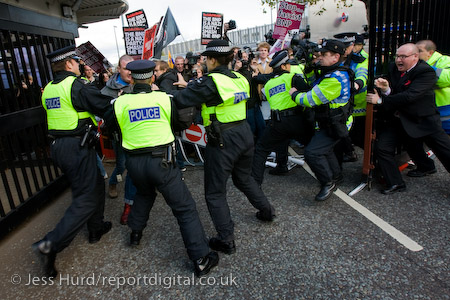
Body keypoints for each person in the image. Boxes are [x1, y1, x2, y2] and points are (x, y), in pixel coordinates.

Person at [107, 59, 218, 277]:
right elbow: (178, 124)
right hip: (162, 162)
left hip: (135, 163)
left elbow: (110, 128)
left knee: (144, 194)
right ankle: (201, 258)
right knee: (184, 207)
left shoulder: (119, 103)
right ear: (152, 77)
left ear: (132, 79)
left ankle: (135, 233)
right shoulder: (164, 99)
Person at [171, 39, 276, 255]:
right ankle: (267, 211)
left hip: (223, 139)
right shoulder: (240, 77)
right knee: (244, 178)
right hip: (244, 133)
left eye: (204, 59)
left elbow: (181, 100)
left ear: (211, 59)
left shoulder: (211, 81)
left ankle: (226, 239)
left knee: (215, 192)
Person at [32, 45, 113, 277]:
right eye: (77, 61)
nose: (80, 65)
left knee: (95, 184)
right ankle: (50, 244)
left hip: (59, 146)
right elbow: (102, 104)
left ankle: (96, 228)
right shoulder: (74, 85)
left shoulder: (48, 89)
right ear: (68, 64)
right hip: (76, 146)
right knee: (86, 197)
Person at [366, 43, 450, 194]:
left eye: (403, 57)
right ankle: (396, 183)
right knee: (383, 148)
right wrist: (386, 88)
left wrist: (380, 100)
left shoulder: (426, 72)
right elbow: (395, 90)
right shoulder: (393, 67)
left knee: (445, 151)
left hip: (423, 120)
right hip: (400, 119)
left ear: (415, 57)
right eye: (397, 56)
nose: (398, 60)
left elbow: (409, 96)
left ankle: (426, 167)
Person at [289, 39, 353, 201]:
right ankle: (337, 176)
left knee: (312, 153)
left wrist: (294, 94)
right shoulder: (330, 72)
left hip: (337, 123)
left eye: (324, 54)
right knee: (326, 150)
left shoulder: (335, 78)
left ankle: (328, 182)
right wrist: (310, 69)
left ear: (336, 57)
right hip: (329, 121)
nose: (320, 57)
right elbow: (314, 84)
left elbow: (310, 99)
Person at [251, 50, 314, 185]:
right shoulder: (293, 78)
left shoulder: (268, 85)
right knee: (314, 147)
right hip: (297, 119)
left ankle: (256, 182)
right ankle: (328, 176)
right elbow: (309, 94)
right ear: (284, 66)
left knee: (263, 148)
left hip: (277, 121)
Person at [101, 55, 136, 225]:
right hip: (119, 135)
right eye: (126, 68)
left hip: (136, 134)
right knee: (122, 165)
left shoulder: (137, 84)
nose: (130, 71)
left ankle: (132, 201)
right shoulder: (108, 90)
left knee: (134, 166)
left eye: (132, 68)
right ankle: (113, 183)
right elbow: (103, 113)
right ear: (119, 70)